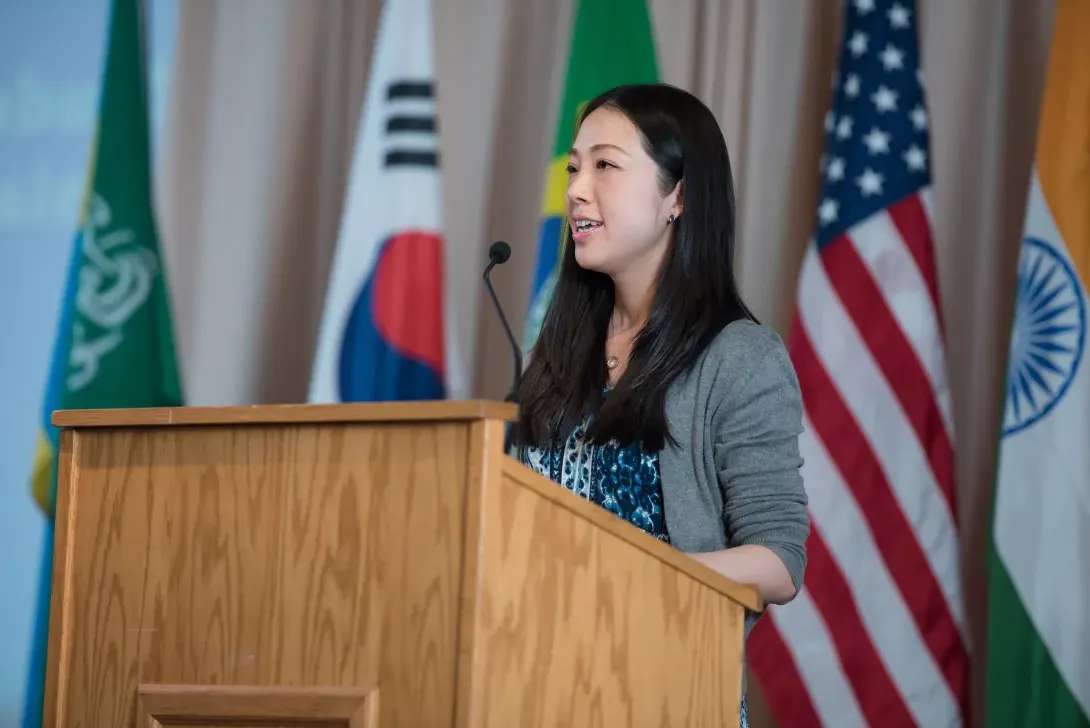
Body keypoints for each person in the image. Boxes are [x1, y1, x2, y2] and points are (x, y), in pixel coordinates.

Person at [511, 83, 809, 727]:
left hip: (663, 690)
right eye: (573, 168)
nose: (576, 191)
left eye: (606, 166)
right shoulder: (559, 350)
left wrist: (622, 575)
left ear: (678, 195)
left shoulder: (739, 357)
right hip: (531, 684)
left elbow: (779, 561)